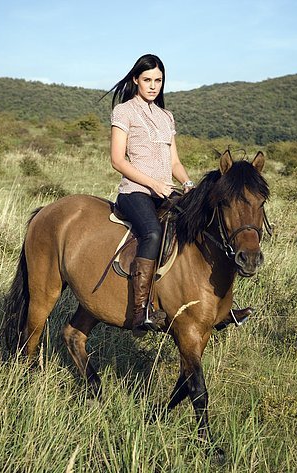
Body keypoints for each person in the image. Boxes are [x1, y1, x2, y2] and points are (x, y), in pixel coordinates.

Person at [106, 54, 194, 336]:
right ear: (136, 80)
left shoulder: (167, 117)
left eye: (158, 80)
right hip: (135, 192)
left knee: (198, 225)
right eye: (147, 80)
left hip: (165, 193)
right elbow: (118, 160)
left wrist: (188, 181)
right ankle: (141, 309)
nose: (153, 86)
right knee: (153, 233)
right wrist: (154, 184)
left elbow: (175, 163)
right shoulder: (124, 112)